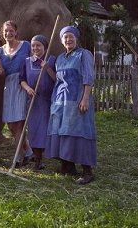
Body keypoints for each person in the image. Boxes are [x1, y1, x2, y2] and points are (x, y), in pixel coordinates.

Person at [45, 26, 97, 185]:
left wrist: (85, 98)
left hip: (77, 100)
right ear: (61, 40)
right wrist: (46, 68)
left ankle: (87, 171)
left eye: (71, 37)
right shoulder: (60, 58)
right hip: (61, 101)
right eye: (65, 37)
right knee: (63, 132)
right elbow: (58, 79)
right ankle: (68, 165)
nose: (68, 40)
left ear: (76, 38)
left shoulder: (83, 54)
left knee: (80, 132)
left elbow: (88, 77)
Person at [0, 20, 33, 166]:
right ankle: (29, 152)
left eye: (11, 30)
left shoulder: (26, 46)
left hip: (22, 85)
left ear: (16, 32)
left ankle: (17, 157)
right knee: (11, 125)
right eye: (6, 31)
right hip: (8, 87)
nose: (8, 33)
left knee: (19, 124)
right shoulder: (0, 51)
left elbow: (34, 60)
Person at [20, 35, 56, 171]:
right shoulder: (26, 61)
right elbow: (21, 79)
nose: (35, 48)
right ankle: (37, 159)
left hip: (46, 101)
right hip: (33, 102)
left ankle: (43, 157)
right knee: (34, 131)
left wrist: (47, 68)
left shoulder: (51, 60)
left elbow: (56, 79)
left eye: (38, 45)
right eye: (33, 46)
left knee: (44, 130)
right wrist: (28, 88)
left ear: (45, 47)